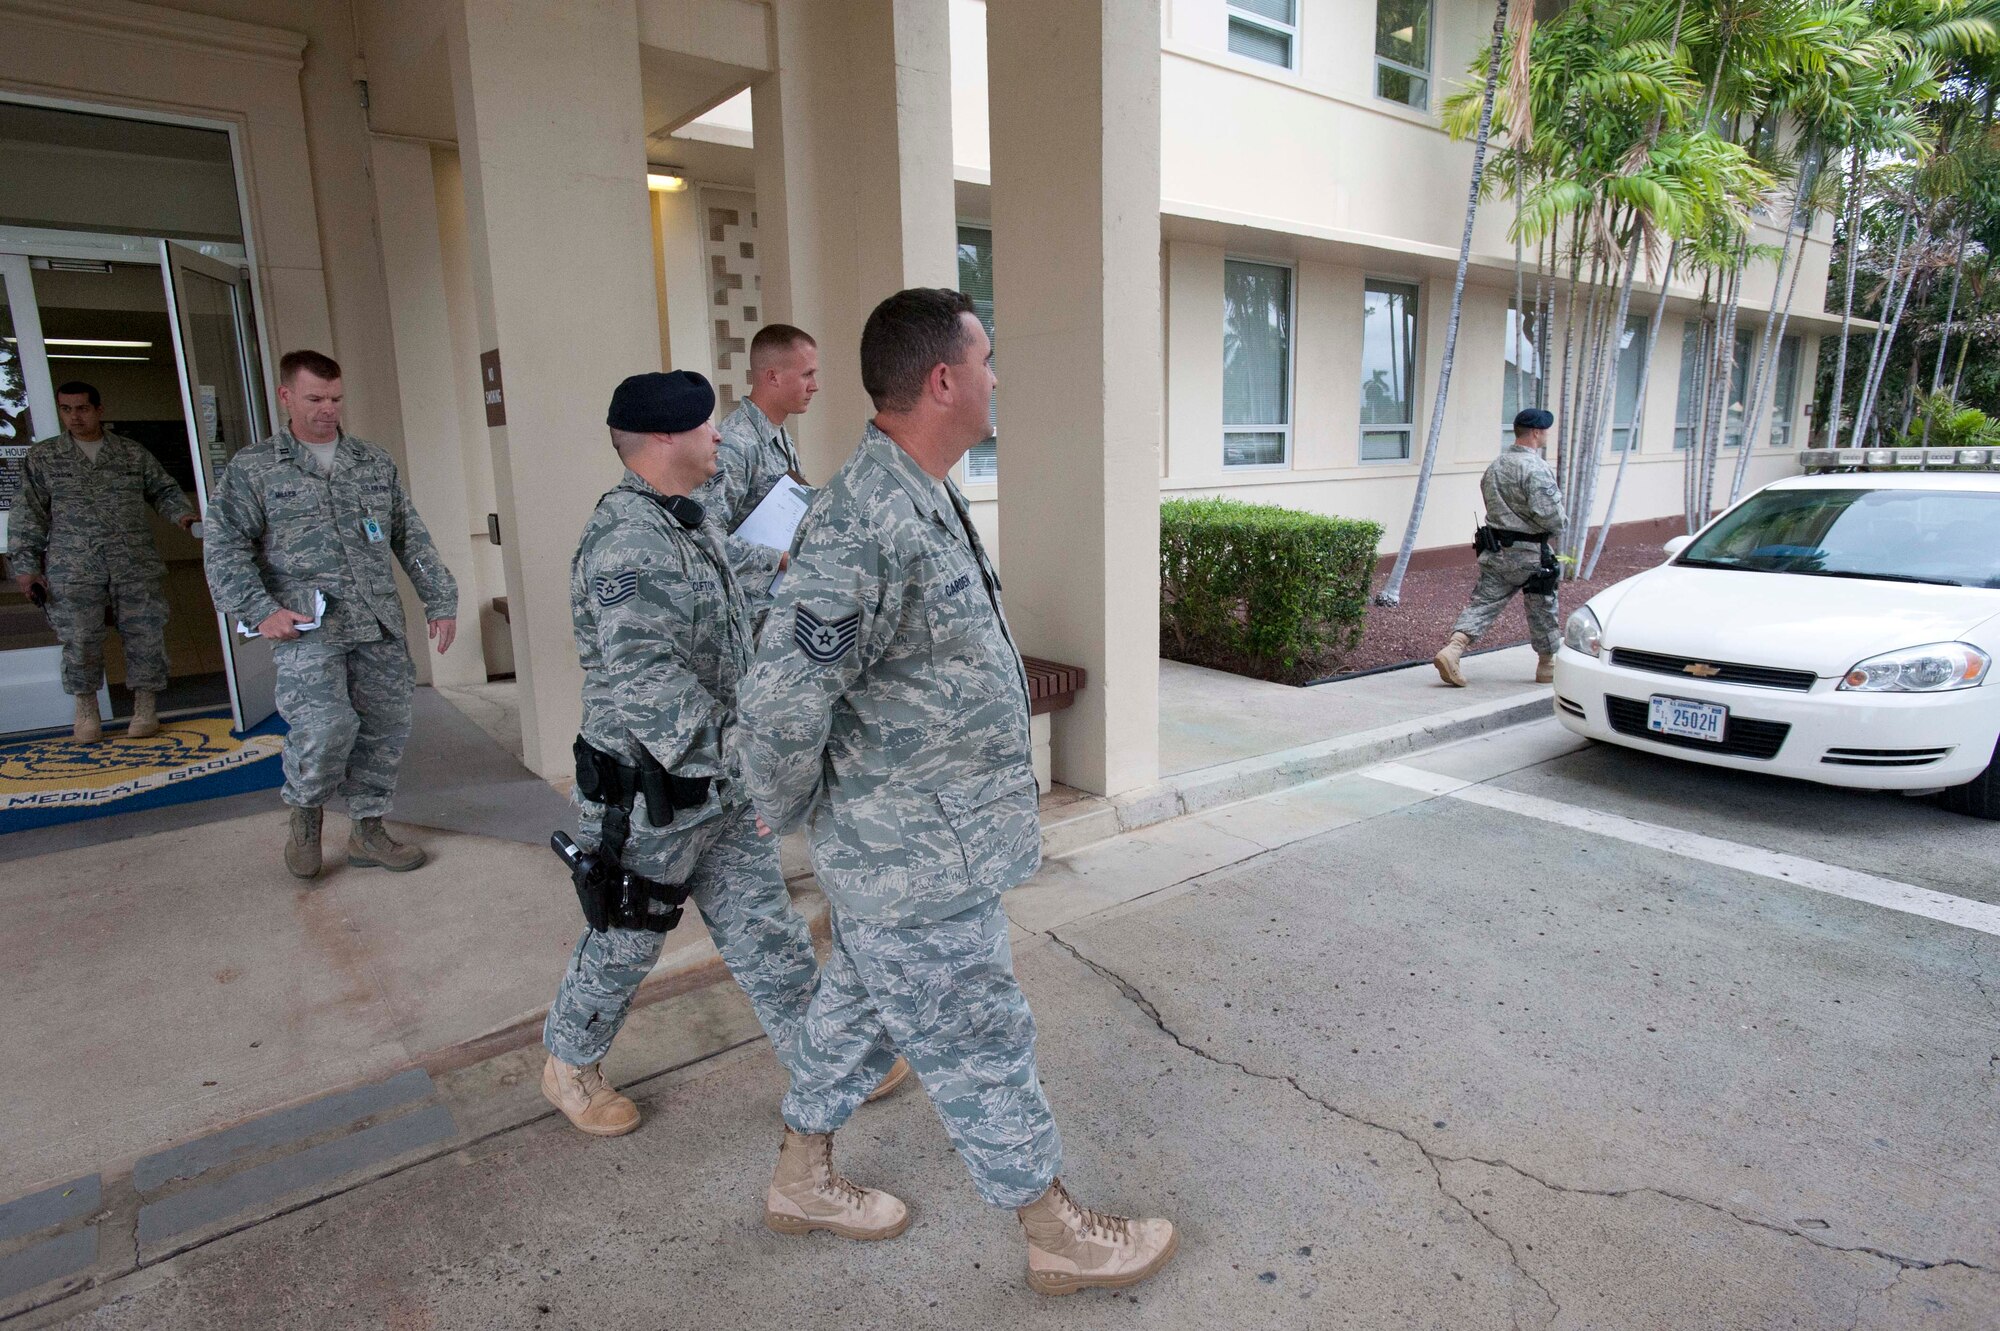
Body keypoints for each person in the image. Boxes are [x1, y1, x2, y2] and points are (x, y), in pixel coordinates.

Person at [737, 288, 1178, 1294]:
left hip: (928, 841)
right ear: (943, 380)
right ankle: (1053, 1227)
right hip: (910, 858)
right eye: (984, 361)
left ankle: (801, 1173)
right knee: (979, 1032)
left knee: (856, 1009)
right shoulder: (860, 519)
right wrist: (787, 805)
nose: (994, 379)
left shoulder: (923, 487)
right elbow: (777, 703)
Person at [539, 368, 906, 1137]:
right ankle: (569, 1064)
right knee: (626, 940)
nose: (720, 436)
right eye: (707, 425)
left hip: (721, 790)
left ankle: (822, 1060)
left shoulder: (687, 518)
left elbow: (737, 592)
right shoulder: (626, 547)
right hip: (651, 800)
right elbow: (653, 696)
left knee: (768, 930)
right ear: (665, 437)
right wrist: (762, 761)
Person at [203, 350, 457, 879]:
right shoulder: (254, 468)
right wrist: (259, 609)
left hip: (377, 622)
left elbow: (409, 536)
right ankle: (306, 814)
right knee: (326, 727)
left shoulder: (371, 461)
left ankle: (368, 831)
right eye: (315, 398)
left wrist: (440, 599)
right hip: (306, 628)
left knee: (384, 728)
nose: (327, 409)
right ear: (286, 397)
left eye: (336, 398)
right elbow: (225, 548)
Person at [8, 381, 197, 742]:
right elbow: (28, 515)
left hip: (133, 563)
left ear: (99, 410)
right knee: (80, 641)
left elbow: (164, 490)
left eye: (82, 408)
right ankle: (87, 711)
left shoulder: (131, 454)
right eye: (66, 409)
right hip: (73, 568)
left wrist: (182, 516)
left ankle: (145, 708)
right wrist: (26, 566)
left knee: (145, 636)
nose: (74, 416)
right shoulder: (45, 458)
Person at [695, 323, 820, 623]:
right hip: (747, 621)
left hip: (776, 611)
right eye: (807, 374)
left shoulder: (776, 434)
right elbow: (704, 537)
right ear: (772, 376)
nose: (814, 385)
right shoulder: (736, 444)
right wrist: (779, 560)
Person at [1434, 407, 1565, 688]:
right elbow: (1551, 516)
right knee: (1542, 606)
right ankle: (1547, 665)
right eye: (1545, 431)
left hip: (1496, 550)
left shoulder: (1496, 465)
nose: (1546, 435)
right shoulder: (1536, 469)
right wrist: (1557, 525)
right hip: (1531, 552)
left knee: (1484, 602)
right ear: (1536, 432)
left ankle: (1453, 649)